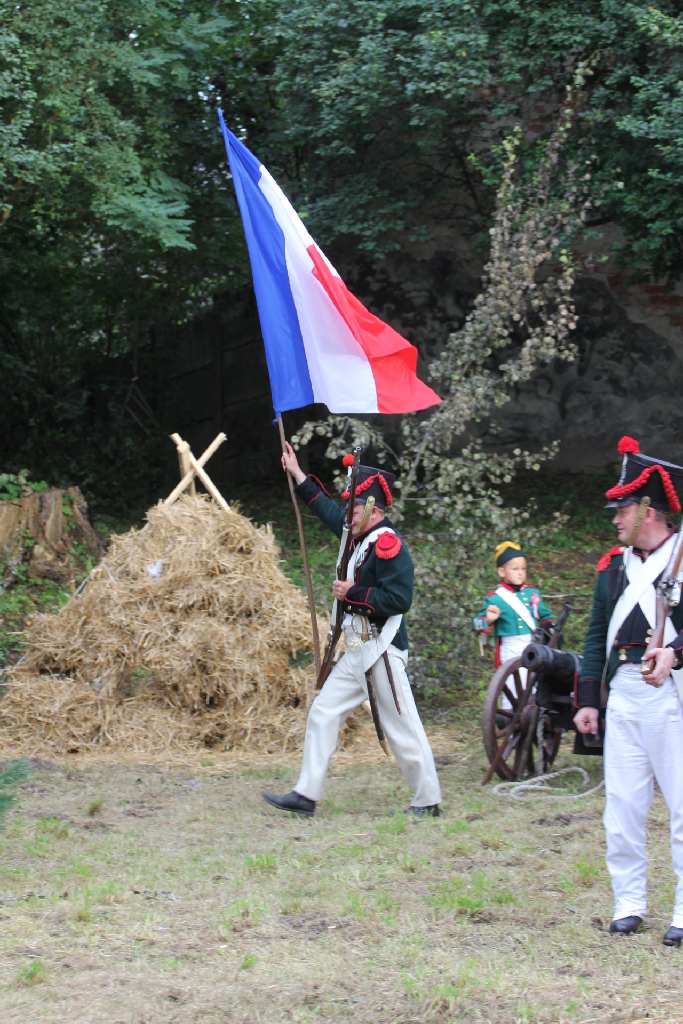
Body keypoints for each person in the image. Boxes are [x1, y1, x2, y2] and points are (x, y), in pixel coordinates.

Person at [263, 443, 442, 818]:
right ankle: (306, 794)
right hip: (358, 650)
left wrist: (353, 593)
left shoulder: (388, 544)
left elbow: (398, 599)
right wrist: (297, 473)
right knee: (324, 712)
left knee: (402, 727)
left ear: (374, 510)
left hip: (382, 649)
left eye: (355, 507)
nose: (348, 514)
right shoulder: (355, 535)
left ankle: (427, 800)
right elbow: (327, 509)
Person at [573, 435, 683, 947]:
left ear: (648, 509)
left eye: (622, 510)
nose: (615, 519)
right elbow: (597, 635)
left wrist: (675, 654)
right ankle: (629, 902)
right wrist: (588, 699)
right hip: (625, 693)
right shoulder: (613, 567)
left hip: (675, 695)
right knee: (622, 806)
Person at [473, 542, 553, 706]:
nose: (520, 573)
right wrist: (488, 620)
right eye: (515, 569)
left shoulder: (532, 594)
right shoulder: (495, 598)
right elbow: (476, 624)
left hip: (533, 644)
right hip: (510, 649)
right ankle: (512, 719)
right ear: (502, 571)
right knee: (513, 687)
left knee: (535, 685)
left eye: (523, 569)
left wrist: (549, 626)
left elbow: (545, 616)